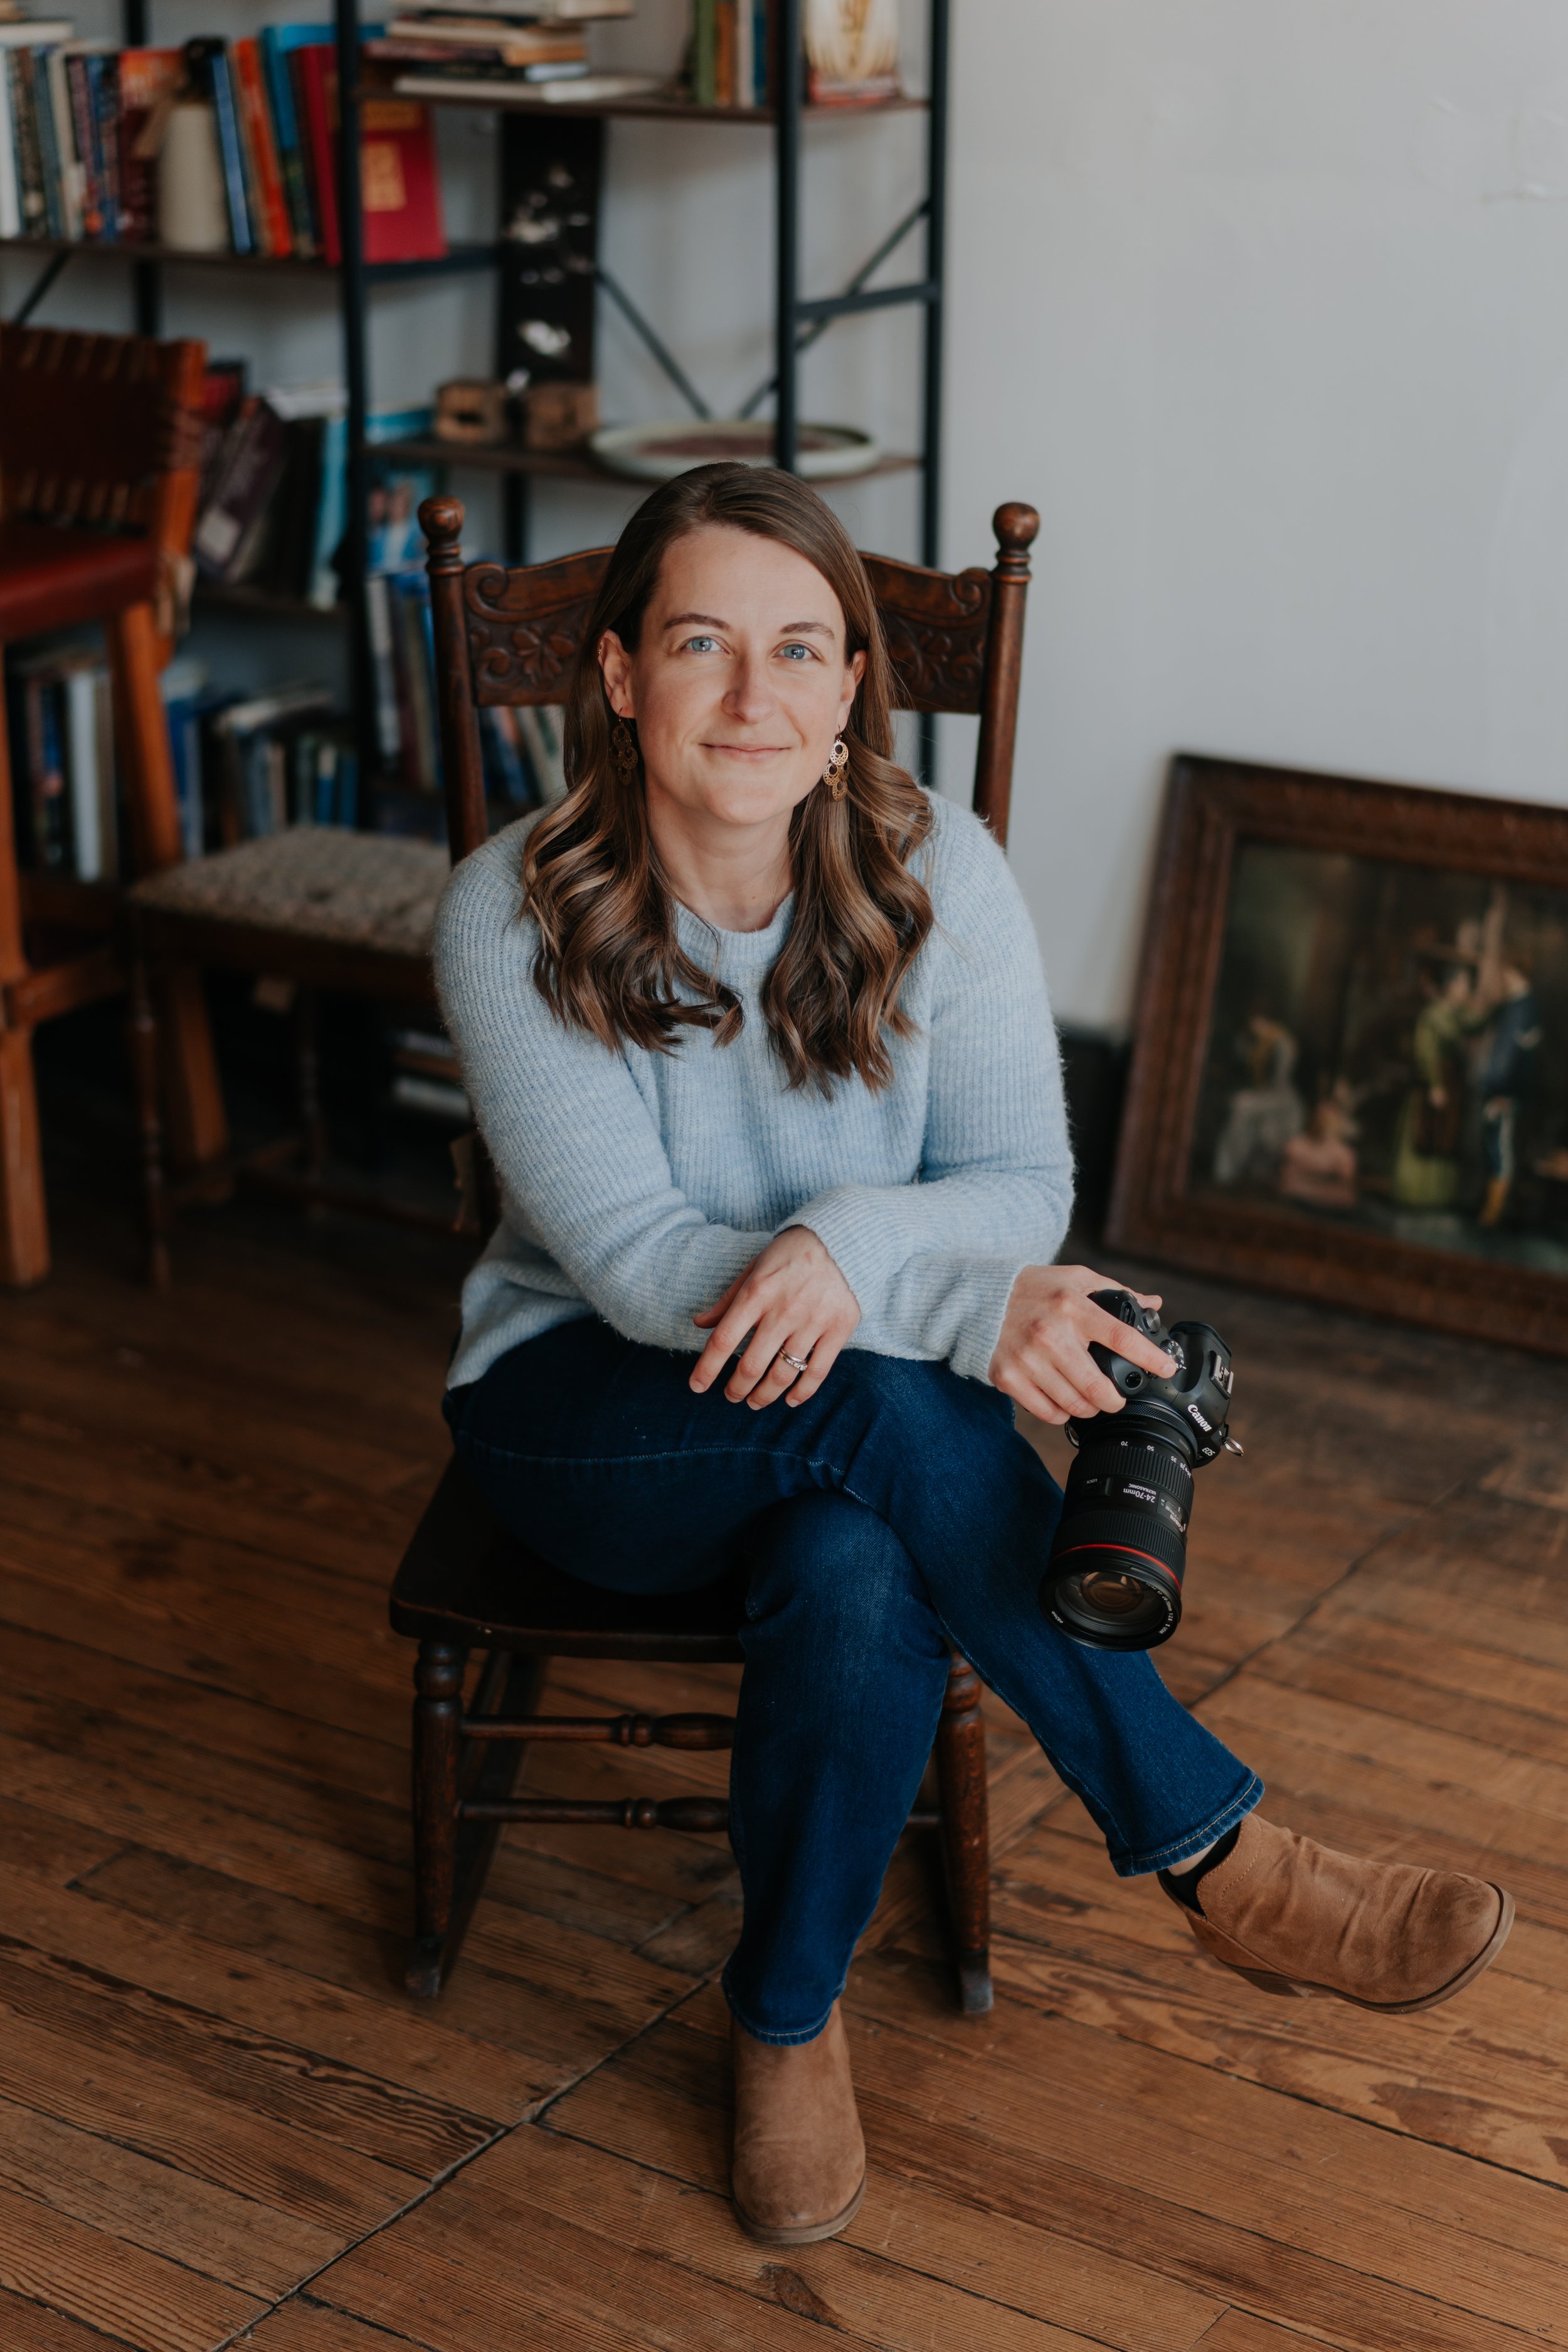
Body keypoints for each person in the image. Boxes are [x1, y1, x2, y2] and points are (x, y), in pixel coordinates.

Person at [434, 464, 1514, 2247]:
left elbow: (1021, 1182)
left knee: (859, 1558)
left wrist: (859, 1250)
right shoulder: (514, 906)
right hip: (590, 1415)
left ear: (851, 681)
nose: (752, 696)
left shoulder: (941, 867)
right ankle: (1213, 1848)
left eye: (800, 649)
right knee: (886, 1419)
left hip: (842, 1438)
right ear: (620, 675)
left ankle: (782, 2021)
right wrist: (953, 1307)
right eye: (701, 644)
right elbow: (635, 1270)